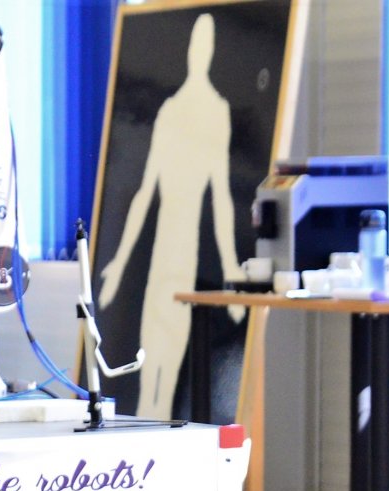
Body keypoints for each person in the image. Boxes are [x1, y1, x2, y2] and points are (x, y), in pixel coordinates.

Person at [97, 13, 244, 419]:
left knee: (170, 375)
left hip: (186, 258)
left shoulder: (216, 112)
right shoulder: (171, 111)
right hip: (161, 256)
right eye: (196, 44)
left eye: (205, 45)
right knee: (148, 375)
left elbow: (222, 198)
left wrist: (232, 272)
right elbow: (146, 192)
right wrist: (119, 264)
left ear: (210, 53)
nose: (200, 52)